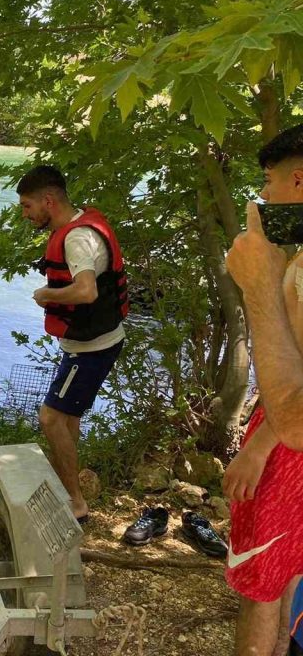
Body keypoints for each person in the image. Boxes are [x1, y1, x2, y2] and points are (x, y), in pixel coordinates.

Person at [223, 124, 303, 656]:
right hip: (283, 432)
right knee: (285, 575)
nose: (265, 196)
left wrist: (256, 449)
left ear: (298, 180)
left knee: (261, 579)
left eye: (269, 183)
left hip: (286, 447)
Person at [17, 165, 127, 523]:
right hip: (92, 343)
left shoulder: (77, 239)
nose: (25, 214)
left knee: (51, 418)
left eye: (28, 206)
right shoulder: (79, 225)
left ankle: (75, 502)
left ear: (48, 201)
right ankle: (71, 490)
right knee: (68, 419)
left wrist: (47, 293)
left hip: (91, 348)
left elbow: (86, 290)